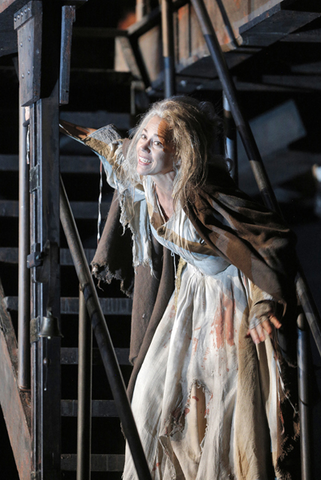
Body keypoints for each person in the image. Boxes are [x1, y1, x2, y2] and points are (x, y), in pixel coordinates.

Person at [60, 96, 299, 479]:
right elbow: (117, 151)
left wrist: (264, 304)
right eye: (143, 139)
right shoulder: (146, 179)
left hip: (229, 301)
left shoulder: (203, 198)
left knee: (223, 415)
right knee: (149, 399)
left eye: (156, 143)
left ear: (182, 152)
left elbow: (267, 241)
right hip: (190, 297)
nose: (144, 147)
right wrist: (71, 130)